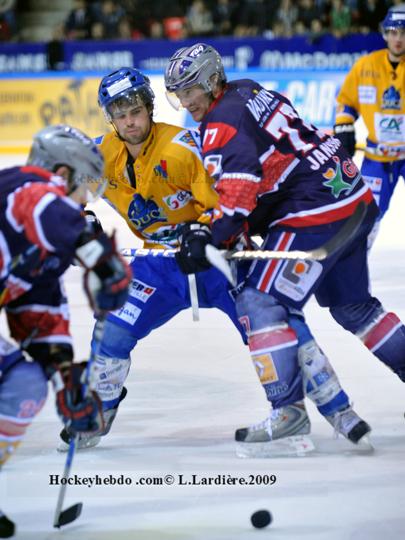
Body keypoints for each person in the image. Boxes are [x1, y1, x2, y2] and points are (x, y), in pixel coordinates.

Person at [58, 67, 371, 457]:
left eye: (135, 110)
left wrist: (203, 230)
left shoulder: (184, 149)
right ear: (110, 117)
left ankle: (336, 407)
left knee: (274, 323)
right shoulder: (101, 153)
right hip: (159, 265)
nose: (129, 121)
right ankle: (98, 414)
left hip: (218, 259)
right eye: (119, 114)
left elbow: (230, 204)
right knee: (113, 331)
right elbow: (62, 190)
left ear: (150, 108)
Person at [164, 43, 405, 450]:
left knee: (261, 302)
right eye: (179, 93)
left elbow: (239, 193)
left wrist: (212, 233)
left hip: (315, 211)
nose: (186, 101)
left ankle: (288, 412)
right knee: (355, 308)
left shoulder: (222, 121)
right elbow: (269, 164)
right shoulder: (247, 89)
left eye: (190, 90)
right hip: (351, 197)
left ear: (209, 81)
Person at [0, 124, 131, 538]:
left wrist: (66, 380)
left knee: (24, 384)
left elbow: (39, 317)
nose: (85, 201)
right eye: (83, 187)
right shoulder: (21, 188)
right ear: (59, 172)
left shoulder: (46, 241)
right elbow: (41, 206)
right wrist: (94, 251)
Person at [334, 3, 405, 246]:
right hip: (378, 155)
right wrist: (344, 125)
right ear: (385, 33)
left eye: (404, 33)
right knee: (366, 216)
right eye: (394, 32)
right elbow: (346, 102)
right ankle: (356, 270)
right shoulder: (366, 66)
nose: (399, 39)